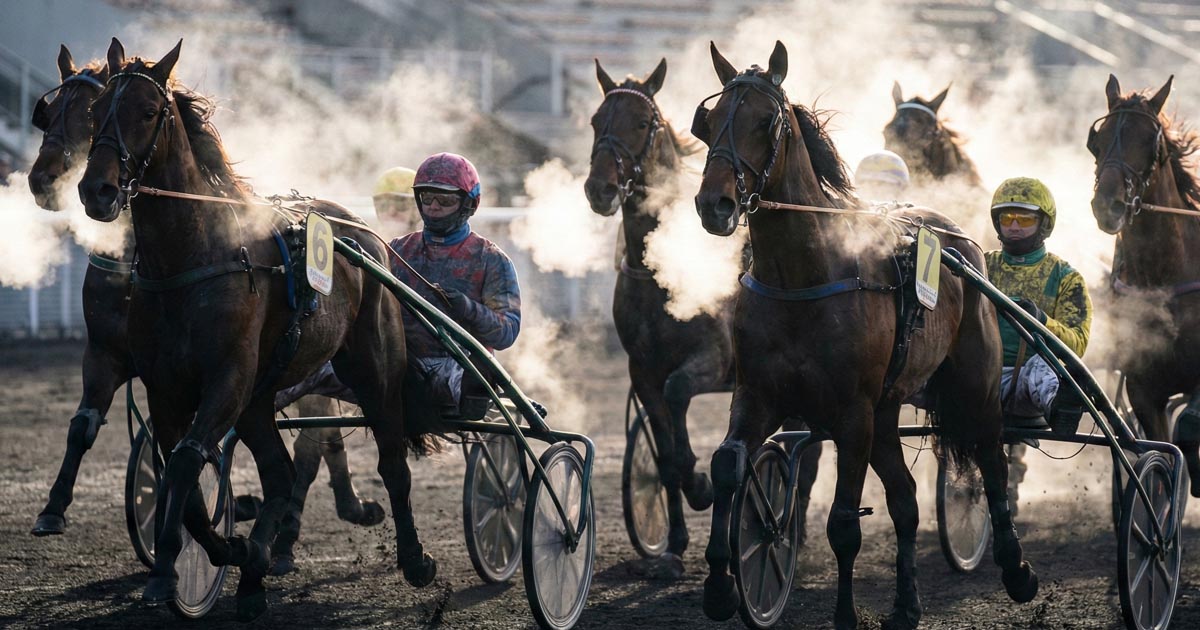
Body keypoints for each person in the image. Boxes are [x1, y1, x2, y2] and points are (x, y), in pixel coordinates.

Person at [276, 153, 521, 422]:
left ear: (469, 204)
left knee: (472, 375)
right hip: (391, 362)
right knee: (309, 366)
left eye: (445, 200)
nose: (434, 207)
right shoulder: (395, 250)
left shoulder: (491, 259)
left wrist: (466, 308)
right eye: (427, 198)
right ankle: (243, 412)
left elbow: (506, 332)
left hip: (453, 365)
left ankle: (472, 391)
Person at [985, 177, 1092, 513]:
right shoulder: (980, 265)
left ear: (1043, 223)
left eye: (1025, 219)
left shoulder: (1065, 277)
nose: (1014, 226)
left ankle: (1062, 407)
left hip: (1028, 383)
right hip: (980, 377)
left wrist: (1042, 321)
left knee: (1043, 368)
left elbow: (1077, 342)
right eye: (1007, 219)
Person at [372, 166, 420, 235]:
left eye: (400, 205)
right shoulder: (366, 243)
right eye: (383, 205)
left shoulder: (431, 244)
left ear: (418, 209)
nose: (392, 212)